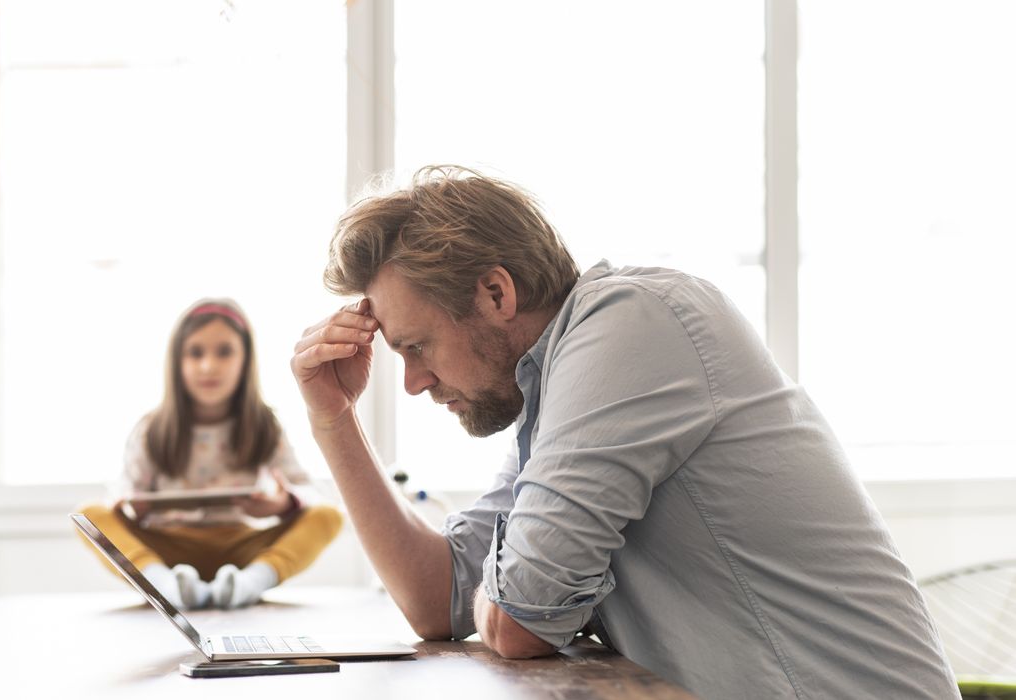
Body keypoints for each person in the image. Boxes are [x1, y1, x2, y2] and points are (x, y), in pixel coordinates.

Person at [290, 166, 959, 698]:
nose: (410, 381)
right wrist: (333, 419)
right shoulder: (554, 393)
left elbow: (517, 623)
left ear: (496, 293)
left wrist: (516, 588)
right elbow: (437, 600)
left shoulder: (632, 322)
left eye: (416, 346)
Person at [78, 298, 342, 610]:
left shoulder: (263, 425)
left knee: (329, 516)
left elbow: (309, 492)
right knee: (90, 516)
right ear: (177, 361)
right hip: (167, 550)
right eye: (195, 353)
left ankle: (249, 583)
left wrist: (282, 504)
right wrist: (135, 508)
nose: (208, 366)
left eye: (224, 352)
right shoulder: (152, 428)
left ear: (246, 359)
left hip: (240, 550)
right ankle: (164, 586)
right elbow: (122, 496)